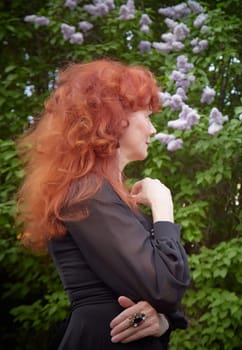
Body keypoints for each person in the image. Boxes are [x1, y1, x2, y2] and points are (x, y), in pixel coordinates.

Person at [16, 59, 191, 349]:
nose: (152, 130)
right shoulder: (87, 193)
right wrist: (164, 208)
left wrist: (161, 322)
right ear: (114, 118)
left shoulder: (103, 194)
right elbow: (164, 286)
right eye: (146, 117)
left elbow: (152, 298)